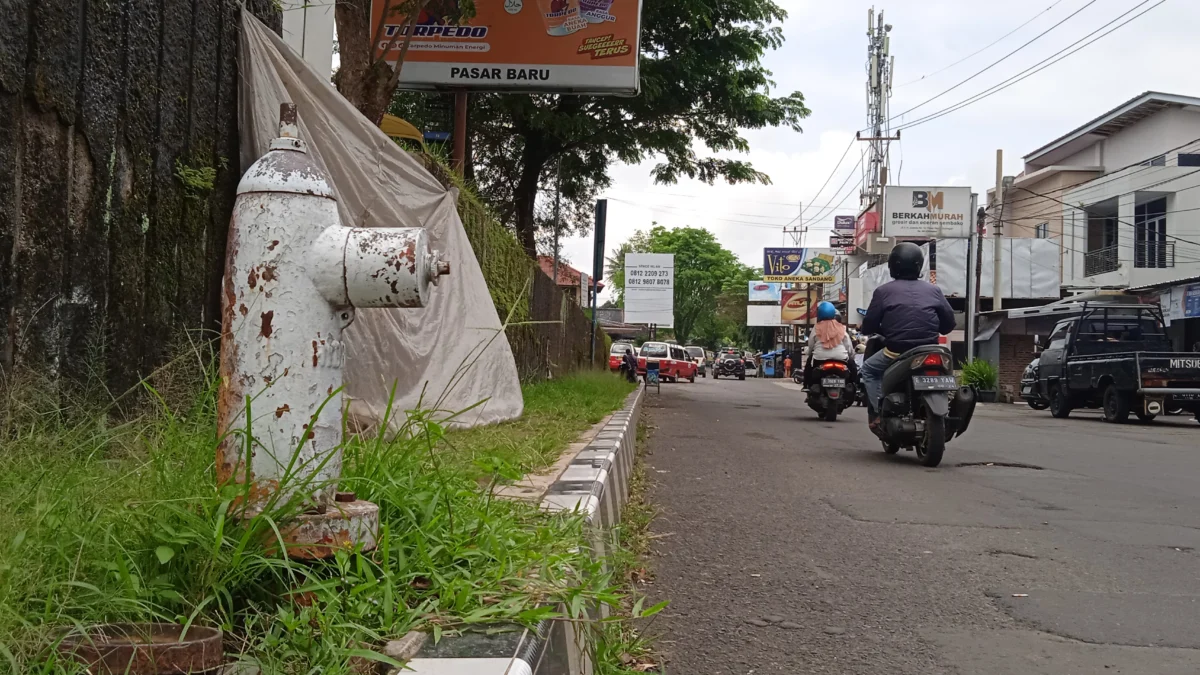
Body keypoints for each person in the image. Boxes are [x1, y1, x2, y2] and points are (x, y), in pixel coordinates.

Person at [860, 242, 955, 427]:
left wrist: (886, 330)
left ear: (892, 265)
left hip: (896, 351)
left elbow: (868, 326)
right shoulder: (934, 290)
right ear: (919, 265)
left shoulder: (883, 291)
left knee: (869, 371)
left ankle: (878, 412)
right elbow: (948, 325)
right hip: (930, 349)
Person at [803, 301, 856, 386]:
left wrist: (809, 354)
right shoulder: (841, 327)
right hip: (841, 358)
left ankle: (806, 385)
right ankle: (855, 385)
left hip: (820, 358)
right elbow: (848, 346)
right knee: (853, 368)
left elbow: (811, 345)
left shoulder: (816, 328)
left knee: (808, 367)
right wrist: (851, 356)